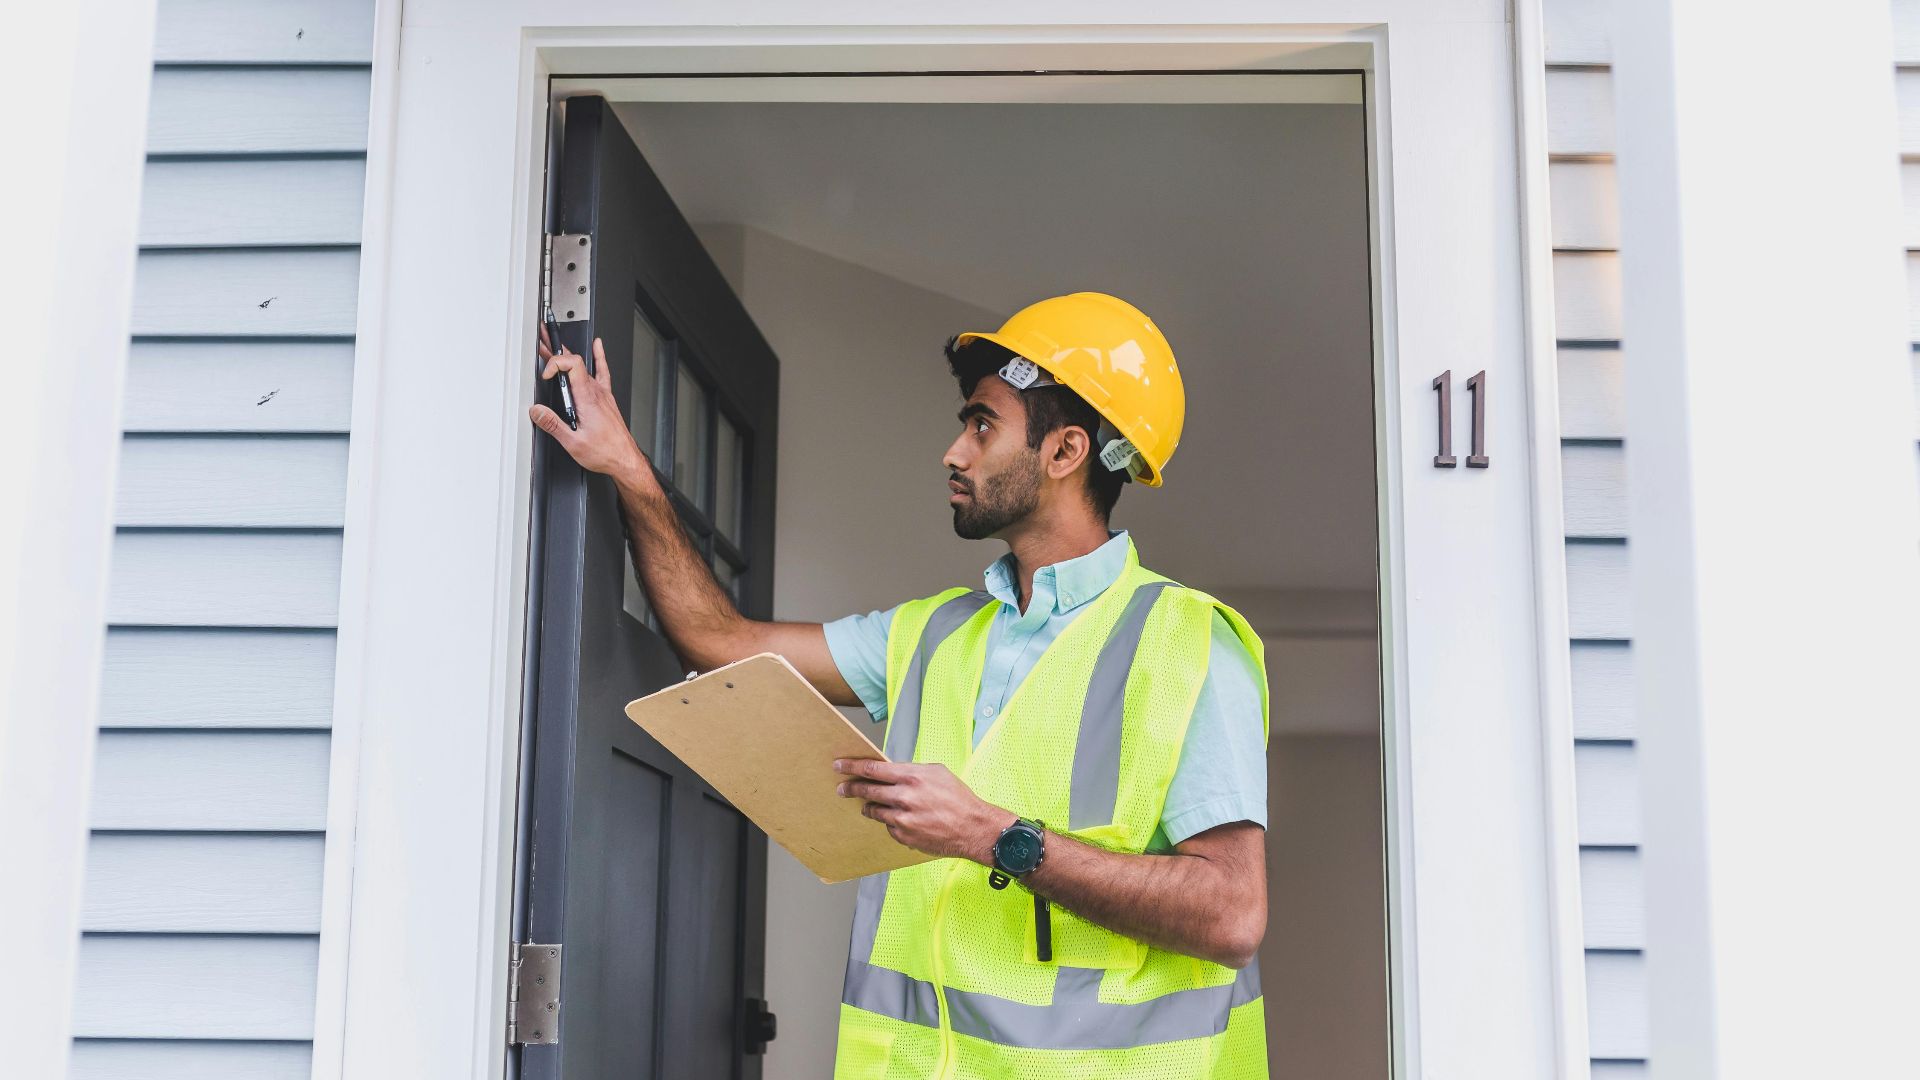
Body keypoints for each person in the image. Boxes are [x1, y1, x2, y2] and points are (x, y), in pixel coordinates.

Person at [530, 291, 1270, 1078]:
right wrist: (627, 468)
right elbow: (720, 641)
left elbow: (1231, 912)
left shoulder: (1190, 645)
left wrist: (990, 835)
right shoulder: (931, 634)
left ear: (1065, 452)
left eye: (982, 425)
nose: (954, 453)